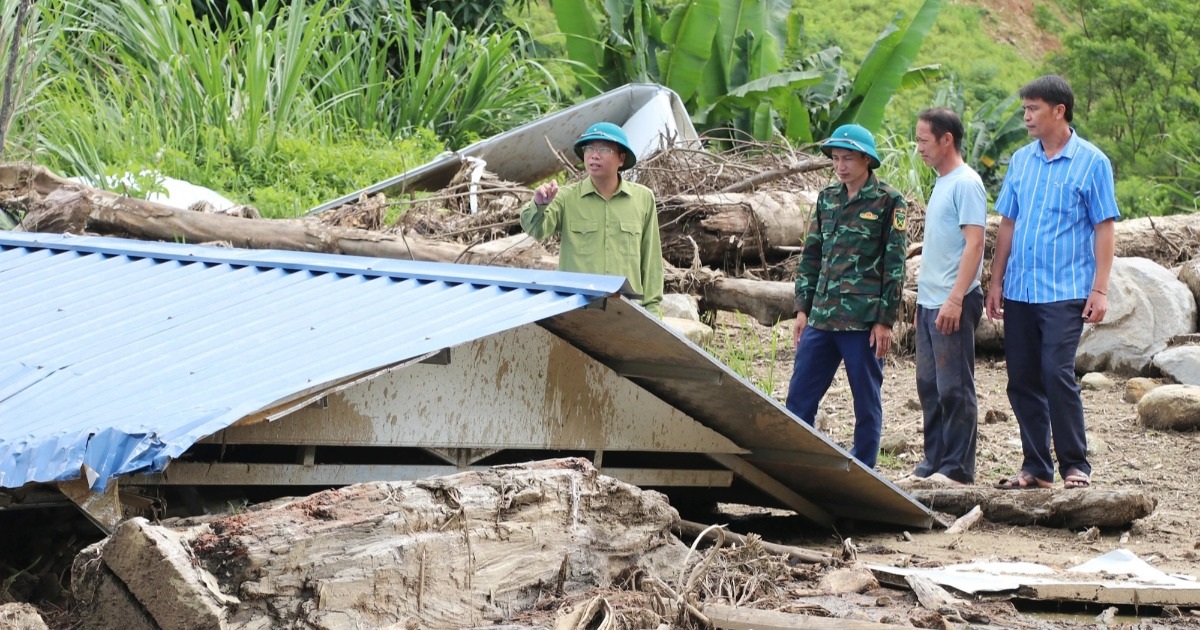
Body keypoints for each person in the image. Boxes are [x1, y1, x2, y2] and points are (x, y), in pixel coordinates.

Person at [987, 75, 1119, 489]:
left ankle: (1075, 465)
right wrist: (996, 280)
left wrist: (1100, 288)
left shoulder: (1092, 162)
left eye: (1034, 109)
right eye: (1025, 109)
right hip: (1020, 289)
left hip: (1065, 290)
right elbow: (1008, 223)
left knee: (1056, 372)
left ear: (1059, 111)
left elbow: (1104, 228)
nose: (1026, 116)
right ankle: (1036, 467)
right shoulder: (1021, 161)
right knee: (1022, 378)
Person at [785, 124, 908, 469]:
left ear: (866, 159)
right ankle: (796, 464)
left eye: (848, 158)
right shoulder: (827, 198)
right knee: (799, 396)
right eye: (836, 158)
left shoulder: (889, 201)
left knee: (866, 401)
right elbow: (812, 255)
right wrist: (802, 309)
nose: (840, 166)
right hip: (822, 317)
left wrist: (884, 320)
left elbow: (895, 265)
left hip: (862, 320)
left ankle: (864, 468)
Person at [904, 108, 987, 487]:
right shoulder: (942, 182)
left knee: (954, 386)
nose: (919, 147)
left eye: (924, 140)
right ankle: (932, 461)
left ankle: (956, 468)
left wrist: (955, 299)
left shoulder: (966, 183)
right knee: (929, 384)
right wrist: (924, 302)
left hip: (954, 299)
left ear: (946, 139)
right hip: (929, 302)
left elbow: (975, 244)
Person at [520, 122, 664, 316]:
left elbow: (651, 260)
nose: (594, 155)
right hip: (577, 309)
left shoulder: (643, 198)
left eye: (604, 149)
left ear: (621, 159)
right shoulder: (565, 197)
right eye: (589, 148)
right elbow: (536, 230)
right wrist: (539, 204)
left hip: (626, 312)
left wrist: (653, 311)